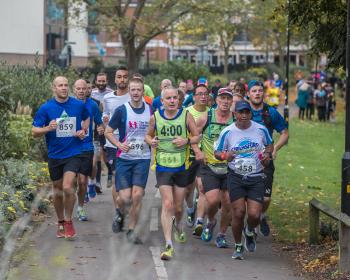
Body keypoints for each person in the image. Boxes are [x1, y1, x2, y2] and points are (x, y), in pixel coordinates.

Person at [145, 87, 203, 261]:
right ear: (161, 101)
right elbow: (147, 136)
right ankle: (168, 244)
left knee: (178, 207)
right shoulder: (155, 117)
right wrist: (152, 141)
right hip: (163, 165)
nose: (171, 101)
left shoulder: (186, 116)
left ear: (178, 100)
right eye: (168, 98)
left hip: (181, 166)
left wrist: (186, 140)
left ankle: (178, 225)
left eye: (174, 98)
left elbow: (197, 137)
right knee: (168, 203)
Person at [32, 76, 89, 239]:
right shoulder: (46, 108)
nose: (64, 88)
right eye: (60, 85)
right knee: (57, 190)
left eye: (66, 85)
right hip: (55, 155)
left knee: (67, 186)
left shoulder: (78, 105)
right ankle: (61, 221)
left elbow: (86, 118)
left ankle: (69, 221)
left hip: (74, 153)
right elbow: (34, 132)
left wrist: (83, 131)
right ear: (54, 88)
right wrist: (47, 128)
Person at [214, 100, 273, 259]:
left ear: (250, 114)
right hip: (236, 177)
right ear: (235, 114)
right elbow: (217, 152)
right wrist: (226, 155)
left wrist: (267, 155)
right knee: (239, 213)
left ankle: (249, 231)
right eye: (241, 112)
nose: (244, 115)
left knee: (254, 215)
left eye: (247, 112)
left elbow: (269, 145)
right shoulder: (228, 131)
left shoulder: (260, 129)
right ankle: (238, 246)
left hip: (256, 177)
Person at [105, 77, 152, 244]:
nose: (136, 93)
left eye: (139, 90)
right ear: (129, 91)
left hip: (143, 158)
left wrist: (153, 141)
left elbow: (156, 130)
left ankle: (132, 230)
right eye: (133, 90)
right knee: (125, 198)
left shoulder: (150, 110)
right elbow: (108, 131)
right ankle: (119, 212)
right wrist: (118, 144)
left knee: (137, 196)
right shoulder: (121, 110)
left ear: (143, 91)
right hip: (124, 159)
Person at [247, 80, 289, 237]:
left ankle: (261, 216)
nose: (257, 93)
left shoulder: (270, 112)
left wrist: (275, 148)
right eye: (254, 91)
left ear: (263, 93)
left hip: (265, 159)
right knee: (247, 198)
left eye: (259, 90)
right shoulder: (242, 111)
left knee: (265, 199)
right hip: (245, 160)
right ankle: (251, 223)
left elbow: (285, 132)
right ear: (249, 94)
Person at [195, 87, 235, 248]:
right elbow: (193, 137)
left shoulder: (236, 119)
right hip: (210, 166)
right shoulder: (206, 117)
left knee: (227, 203)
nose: (225, 101)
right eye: (222, 98)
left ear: (232, 101)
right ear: (216, 100)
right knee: (212, 201)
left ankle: (222, 235)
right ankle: (211, 221)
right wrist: (198, 152)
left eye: (228, 99)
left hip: (230, 168)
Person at [102, 67, 132, 233]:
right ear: (115, 79)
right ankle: (118, 213)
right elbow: (105, 114)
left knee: (130, 184)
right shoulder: (107, 98)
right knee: (115, 181)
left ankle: (124, 208)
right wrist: (104, 120)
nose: (122, 80)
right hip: (113, 144)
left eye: (125, 77)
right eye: (119, 77)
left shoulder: (133, 96)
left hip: (132, 145)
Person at [73, 79, 104, 221]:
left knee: (82, 181)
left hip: (86, 146)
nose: (81, 91)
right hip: (69, 147)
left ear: (87, 90)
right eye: (78, 88)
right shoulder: (67, 105)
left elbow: (99, 122)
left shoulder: (92, 105)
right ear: (74, 90)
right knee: (69, 182)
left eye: (83, 88)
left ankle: (80, 208)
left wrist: (101, 127)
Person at [185, 81, 209, 234]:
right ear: (194, 97)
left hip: (204, 156)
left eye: (206, 94)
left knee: (202, 188)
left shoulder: (212, 112)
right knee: (188, 189)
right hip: (188, 155)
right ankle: (190, 209)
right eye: (199, 94)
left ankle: (199, 222)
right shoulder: (186, 112)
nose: (203, 96)